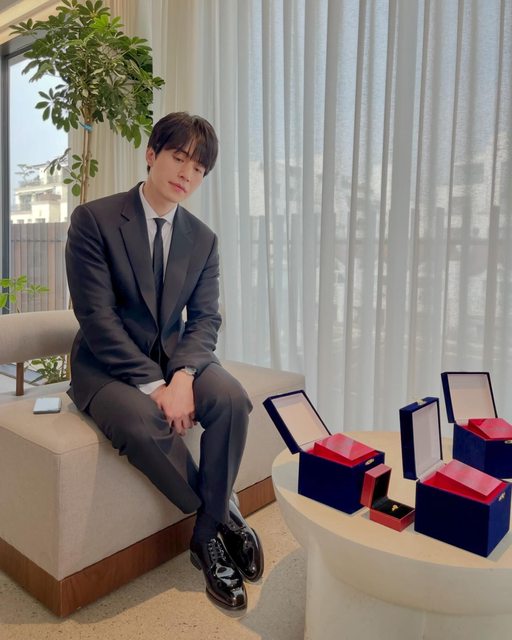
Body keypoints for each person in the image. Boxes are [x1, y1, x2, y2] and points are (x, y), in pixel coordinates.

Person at [65, 112, 263, 612]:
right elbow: (96, 317)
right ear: (151, 154)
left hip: (178, 358)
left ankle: (206, 533)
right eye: (179, 158)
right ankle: (221, 516)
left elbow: (206, 319)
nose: (187, 175)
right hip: (107, 365)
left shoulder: (203, 239)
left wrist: (183, 375)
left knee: (232, 399)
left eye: (199, 169)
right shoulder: (94, 220)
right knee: (140, 421)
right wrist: (157, 387)